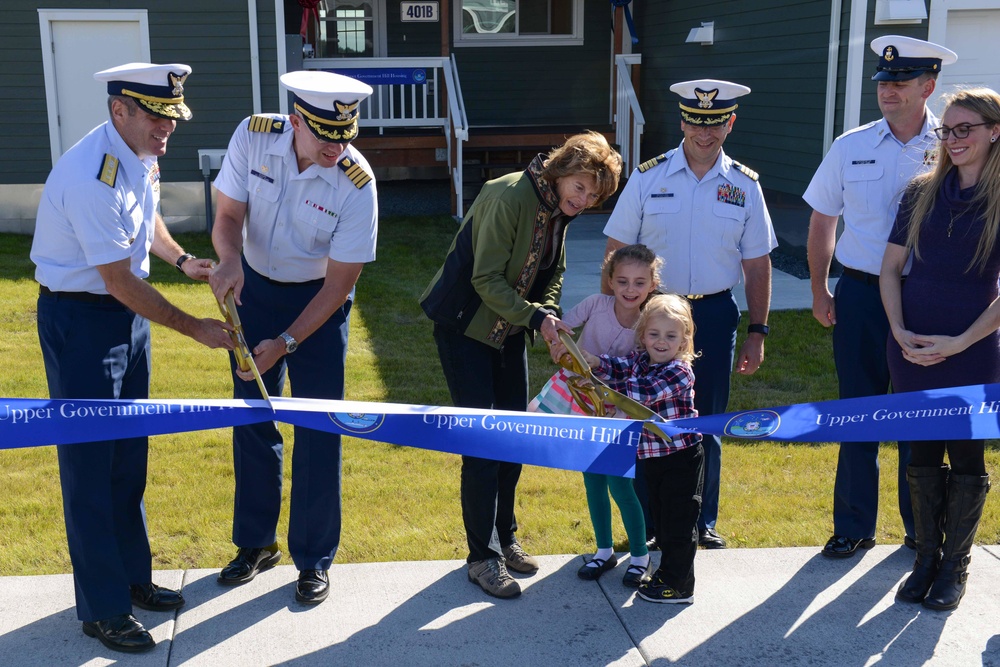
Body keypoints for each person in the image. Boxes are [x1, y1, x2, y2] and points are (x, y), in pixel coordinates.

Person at [30, 62, 234, 653]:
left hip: (121, 320)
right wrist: (194, 326)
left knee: (127, 458)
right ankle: (102, 609)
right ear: (120, 110)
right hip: (84, 322)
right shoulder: (93, 174)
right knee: (91, 468)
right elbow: (118, 278)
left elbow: (145, 225)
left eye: (172, 118)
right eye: (156, 117)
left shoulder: (135, 153)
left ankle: (132, 578)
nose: (167, 130)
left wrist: (181, 260)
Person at [420, 131, 622, 599]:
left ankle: (505, 536)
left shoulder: (558, 209)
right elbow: (485, 278)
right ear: (562, 169)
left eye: (594, 195)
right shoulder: (509, 195)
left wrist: (546, 315)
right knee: (482, 445)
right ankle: (480, 557)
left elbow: (555, 275)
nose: (585, 199)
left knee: (514, 440)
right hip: (463, 329)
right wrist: (537, 317)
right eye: (582, 187)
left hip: (509, 331)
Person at [209, 70, 378, 605]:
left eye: (345, 136)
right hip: (253, 289)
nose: (336, 147)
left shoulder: (358, 182)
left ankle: (313, 559)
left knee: (319, 427)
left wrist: (286, 340)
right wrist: (230, 261)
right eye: (325, 134)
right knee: (252, 417)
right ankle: (256, 544)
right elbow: (229, 214)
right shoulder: (254, 134)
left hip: (318, 305)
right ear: (296, 121)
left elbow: (340, 283)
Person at [603, 79, 776, 550]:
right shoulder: (648, 177)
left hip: (715, 316)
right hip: (654, 315)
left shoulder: (744, 185)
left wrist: (758, 330)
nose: (706, 133)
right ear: (683, 122)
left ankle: (702, 520)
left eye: (716, 122)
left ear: (730, 123)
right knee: (645, 420)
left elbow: (757, 262)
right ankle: (650, 525)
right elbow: (617, 251)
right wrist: (619, 314)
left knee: (708, 421)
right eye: (697, 122)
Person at [804, 35, 957, 559]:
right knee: (858, 412)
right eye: (883, 82)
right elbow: (825, 217)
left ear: (928, 86)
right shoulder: (851, 145)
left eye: (900, 81)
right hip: (863, 295)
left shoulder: (955, 146)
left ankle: (920, 529)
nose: (887, 91)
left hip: (931, 297)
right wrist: (821, 286)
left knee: (920, 416)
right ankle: (852, 525)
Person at [880, 88, 999, 610]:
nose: (952, 140)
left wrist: (961, 342)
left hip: (974, 348)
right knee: (921, 454)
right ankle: (926, 559)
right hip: (911, 345)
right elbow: (889, 269)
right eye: (946, 131)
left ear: (995, 131)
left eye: (964, 129)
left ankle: (955, 567)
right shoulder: (920, 192)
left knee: (967, 455)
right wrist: (899, 329)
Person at [530, 244, 661, 587]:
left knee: (620, 483)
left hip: (619, 409)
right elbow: (558, 331)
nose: (630, 290)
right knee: (592, 480)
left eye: (638, 282)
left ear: (652, 284)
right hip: (580, 401)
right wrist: (558, 345)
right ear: (610, 281)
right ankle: (604, 551)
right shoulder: (594, 304)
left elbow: (649, 365)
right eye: (622, 282)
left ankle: (640, 556)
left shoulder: (651, 319)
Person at [574, 294, 702, 603]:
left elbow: (641, 395)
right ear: (642, 336)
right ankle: (666, 574)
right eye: (654, 334)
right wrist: (596, 363)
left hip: (681, 457)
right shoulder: (641, 360)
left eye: (671, 336)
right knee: (660, 517)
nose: (661, 341)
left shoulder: (679, 372)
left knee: (678, 524)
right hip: (654, 457)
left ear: (684, 340)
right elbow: (620, 367)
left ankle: (679, 586)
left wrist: (600, 388)